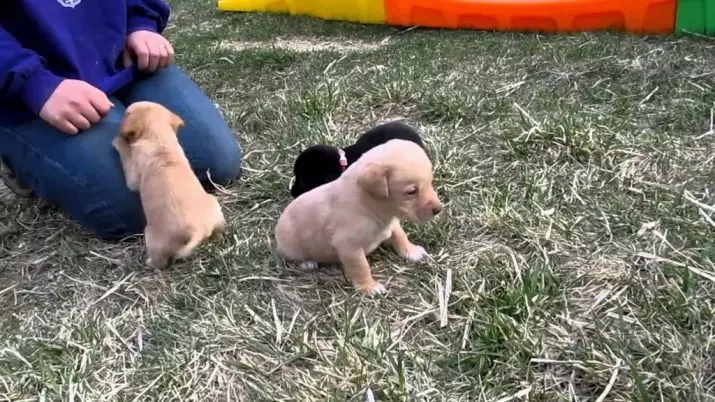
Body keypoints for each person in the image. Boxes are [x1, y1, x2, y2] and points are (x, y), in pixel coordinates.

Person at [0, 0, 242, 240]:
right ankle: (17, 154)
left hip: (120, 55)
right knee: (138, 212)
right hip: (25, 88)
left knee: (216, 165)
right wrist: (34, 83)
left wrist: (141, 22)